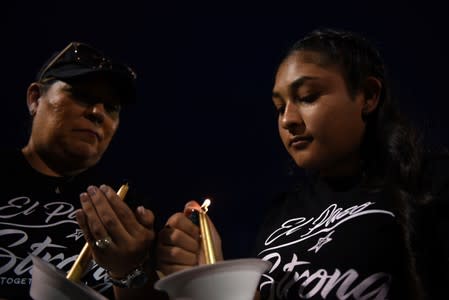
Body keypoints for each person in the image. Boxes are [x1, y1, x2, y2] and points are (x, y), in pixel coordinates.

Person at [156, 28, 449, 299]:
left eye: (307, 97)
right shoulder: (280, 215)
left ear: (368, 95)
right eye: (279, 107)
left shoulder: (431, 184)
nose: (288, 120)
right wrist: (212, 274)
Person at [0, 41, 163, 300]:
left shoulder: (128, 211)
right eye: (81, 95)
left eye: (112, 107)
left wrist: (128, 271)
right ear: (35, 98)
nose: (98, 112)